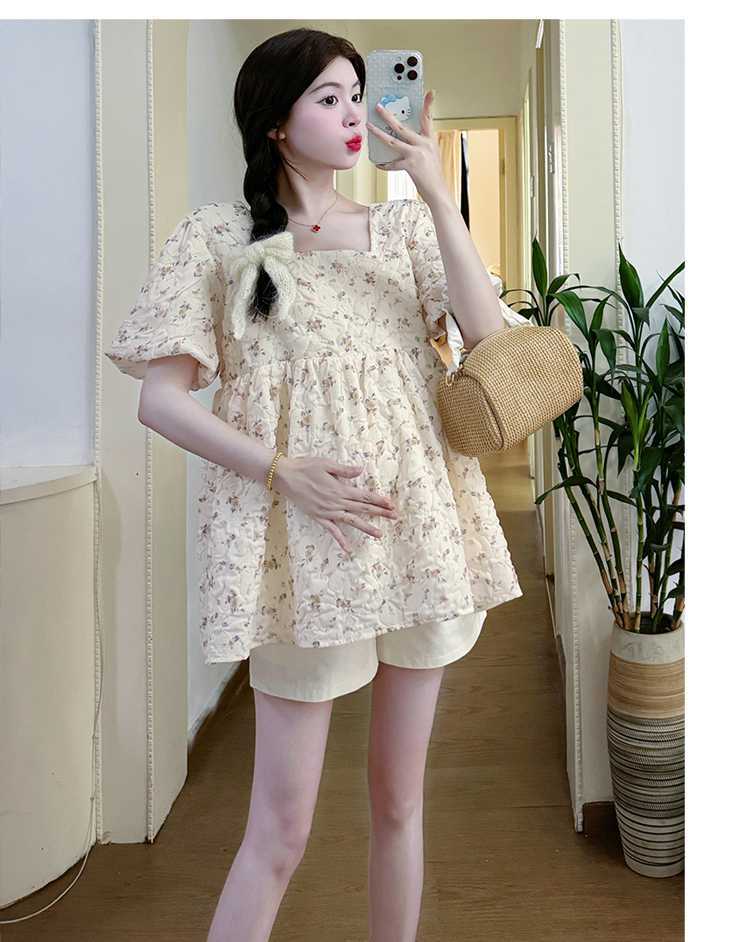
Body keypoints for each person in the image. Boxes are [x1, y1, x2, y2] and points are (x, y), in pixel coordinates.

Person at [105, 27, 525, 942]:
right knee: (281, 831)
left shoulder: (403, 228)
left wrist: (432, 186)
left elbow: (491, 339)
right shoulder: (226, 240)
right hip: (301, 555)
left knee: (399, 802)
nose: (353, 114)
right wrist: (283, 471)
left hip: (417, 531)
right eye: (328, 98)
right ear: (275, 122)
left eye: (357, 95)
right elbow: (159, 401)